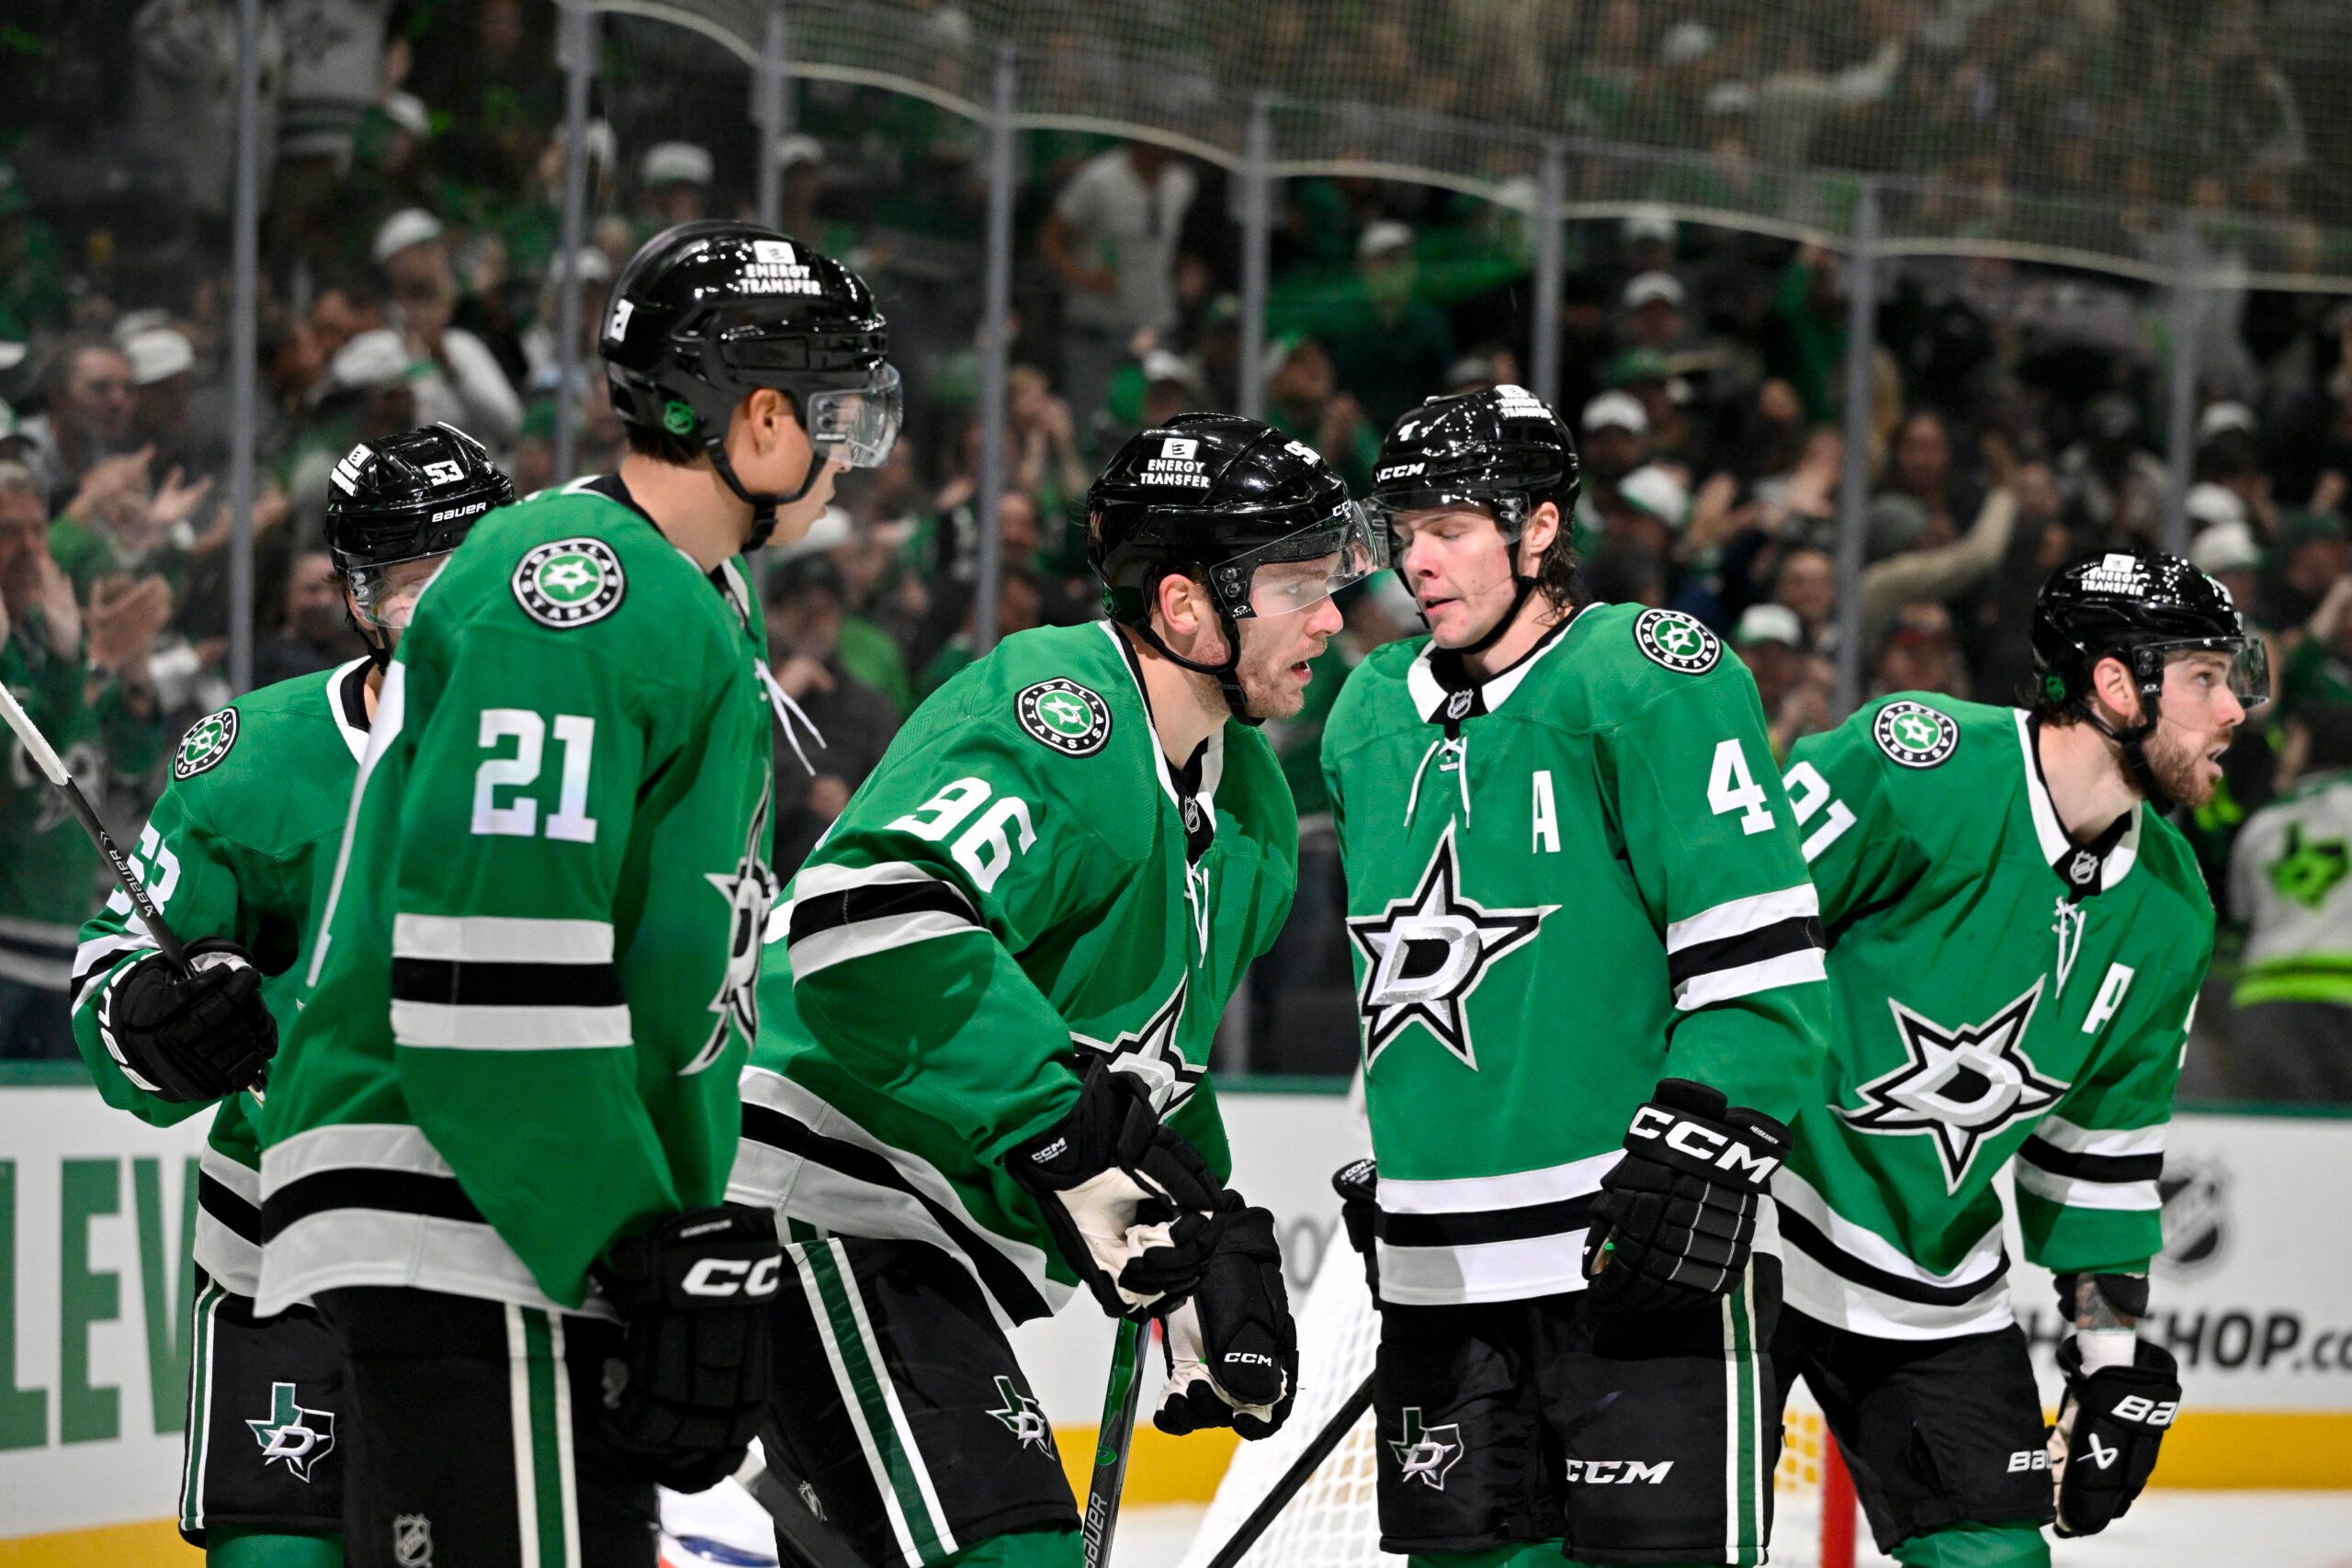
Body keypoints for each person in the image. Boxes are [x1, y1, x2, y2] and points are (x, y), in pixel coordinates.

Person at [255, 221, 901, 1568]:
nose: (849, 454)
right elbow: (493, 963)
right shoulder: (576, 588)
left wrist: (661, 1230)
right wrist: (629, 1237)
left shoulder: (688, 592)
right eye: (838, 414)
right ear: (760, 418)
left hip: (528, 1210)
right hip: (474, 1201)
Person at [731, 413, 1380, 1566]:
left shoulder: (1254, 808)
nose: (1330, 619)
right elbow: (861, 927)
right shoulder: (1059, 710)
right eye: (1296, 587)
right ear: (1185, 607)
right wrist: (1059, 1129)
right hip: (827, 1199)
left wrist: (1205, 1236)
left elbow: (1143, 1075)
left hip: (931, 1251)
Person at [1322, 385, 1830, 1565]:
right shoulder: (1364, 713)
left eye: (1449, 528)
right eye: (1403, 533)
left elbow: (1758, 954)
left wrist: (1704, 1137)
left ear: (1539, 527)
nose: (1416, 562)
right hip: (1440, 1274)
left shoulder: (1647, 672)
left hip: (1631, 1249)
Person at [68, 424, 512, 1565]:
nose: (439, 611)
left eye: (467, 572)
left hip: (508, 1254)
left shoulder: (590, 751)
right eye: (407, 581)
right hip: (283, 1248)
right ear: (357, 594)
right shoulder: (254, 758)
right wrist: (157, 1022)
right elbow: (112, 969)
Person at [1773, 550, 2261, 1566]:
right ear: (2117, 685)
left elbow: (2097, 1153)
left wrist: (2109, 1357)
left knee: (1998, 1556)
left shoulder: (2171, 905)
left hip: (1934, 1279)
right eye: (2206, 678)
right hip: (1743, 1234)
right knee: (1660, 1544)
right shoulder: (1918, 763)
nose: (2234, 711)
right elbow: (1714, 938)